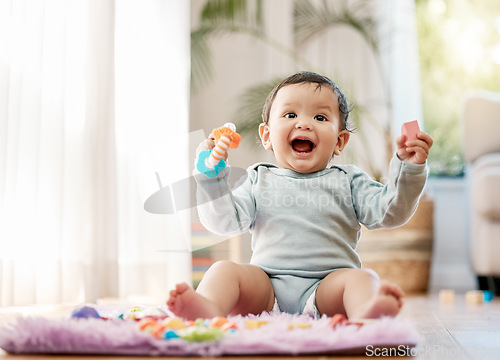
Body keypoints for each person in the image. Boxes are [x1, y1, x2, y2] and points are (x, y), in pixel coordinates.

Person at [167, 71, 433, 321]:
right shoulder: (258, 178)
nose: (304, 124)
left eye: (320, 118)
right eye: (290, 114)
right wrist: (212, 179)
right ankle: (209, 307)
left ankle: (366, 312)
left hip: (327, 286)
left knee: (363, 279)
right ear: (267, 135)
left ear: (339, 141)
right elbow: (224, 222)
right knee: (223, 270)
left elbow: (390, 212)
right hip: (266, 286)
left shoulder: (349, 180)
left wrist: (408, 169)